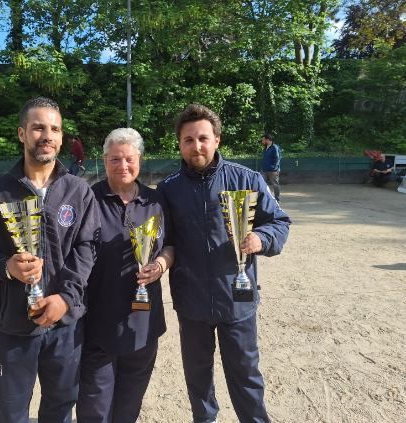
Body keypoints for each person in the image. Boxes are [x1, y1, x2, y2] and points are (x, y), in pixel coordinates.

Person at [0, 96, 100, 423]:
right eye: (38, 128)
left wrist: (66, 298)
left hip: (65, 326)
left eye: (55, 129)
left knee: (60, 410)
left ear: (61, 138)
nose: (47, 136)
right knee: (10, 415)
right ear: (22, 133)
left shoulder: (78, 191)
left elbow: (88, 247)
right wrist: (5, 266)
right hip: (11, 325)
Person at [157, 104, 291, 423]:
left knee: (245, 374)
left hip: (237, 298)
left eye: (203, 138)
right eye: (188, 140)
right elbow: (165, 240)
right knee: (197, 376)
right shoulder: (168, 189)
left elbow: (279, 221)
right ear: (180, 144)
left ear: (217, 139)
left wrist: (261, 238)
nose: (196, 146)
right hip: (191, 303)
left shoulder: (247, 179)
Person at [76, 128, 174, 423]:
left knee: (129, 406)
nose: (123, 166)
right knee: (94, 407)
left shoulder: (156, 201)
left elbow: (170, 245)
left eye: (129, 159)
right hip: (98, 325)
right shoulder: (88, 199)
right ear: (104, 161)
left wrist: (160, 265)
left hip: (143, 325)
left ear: (139, 160)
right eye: (115, 159)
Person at [260, 133, 282, 202]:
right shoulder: (265, 148)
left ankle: (277, 199)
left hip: (273, 170)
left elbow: (278, 158)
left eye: (263, 140)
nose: (262, 141)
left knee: (275, 184)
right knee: (262, 183)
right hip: (264, 170)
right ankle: (264, 198)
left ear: (267, 140)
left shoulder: (275, 147)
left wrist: (275, 168)